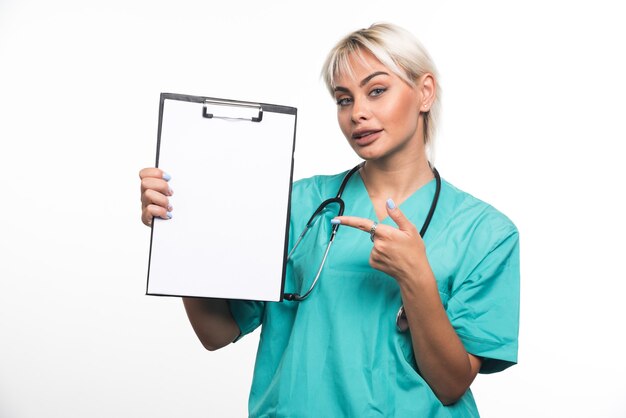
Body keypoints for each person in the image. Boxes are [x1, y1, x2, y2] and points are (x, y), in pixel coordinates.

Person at [139, 23, 520, 417]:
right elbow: (216, 333)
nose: (358, 113)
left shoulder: (486, 234)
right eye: (343, 99)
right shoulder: (298, 205)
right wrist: (180, 231)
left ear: (424, 92)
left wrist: (417, 278)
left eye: (376, 91)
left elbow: (450, 384)